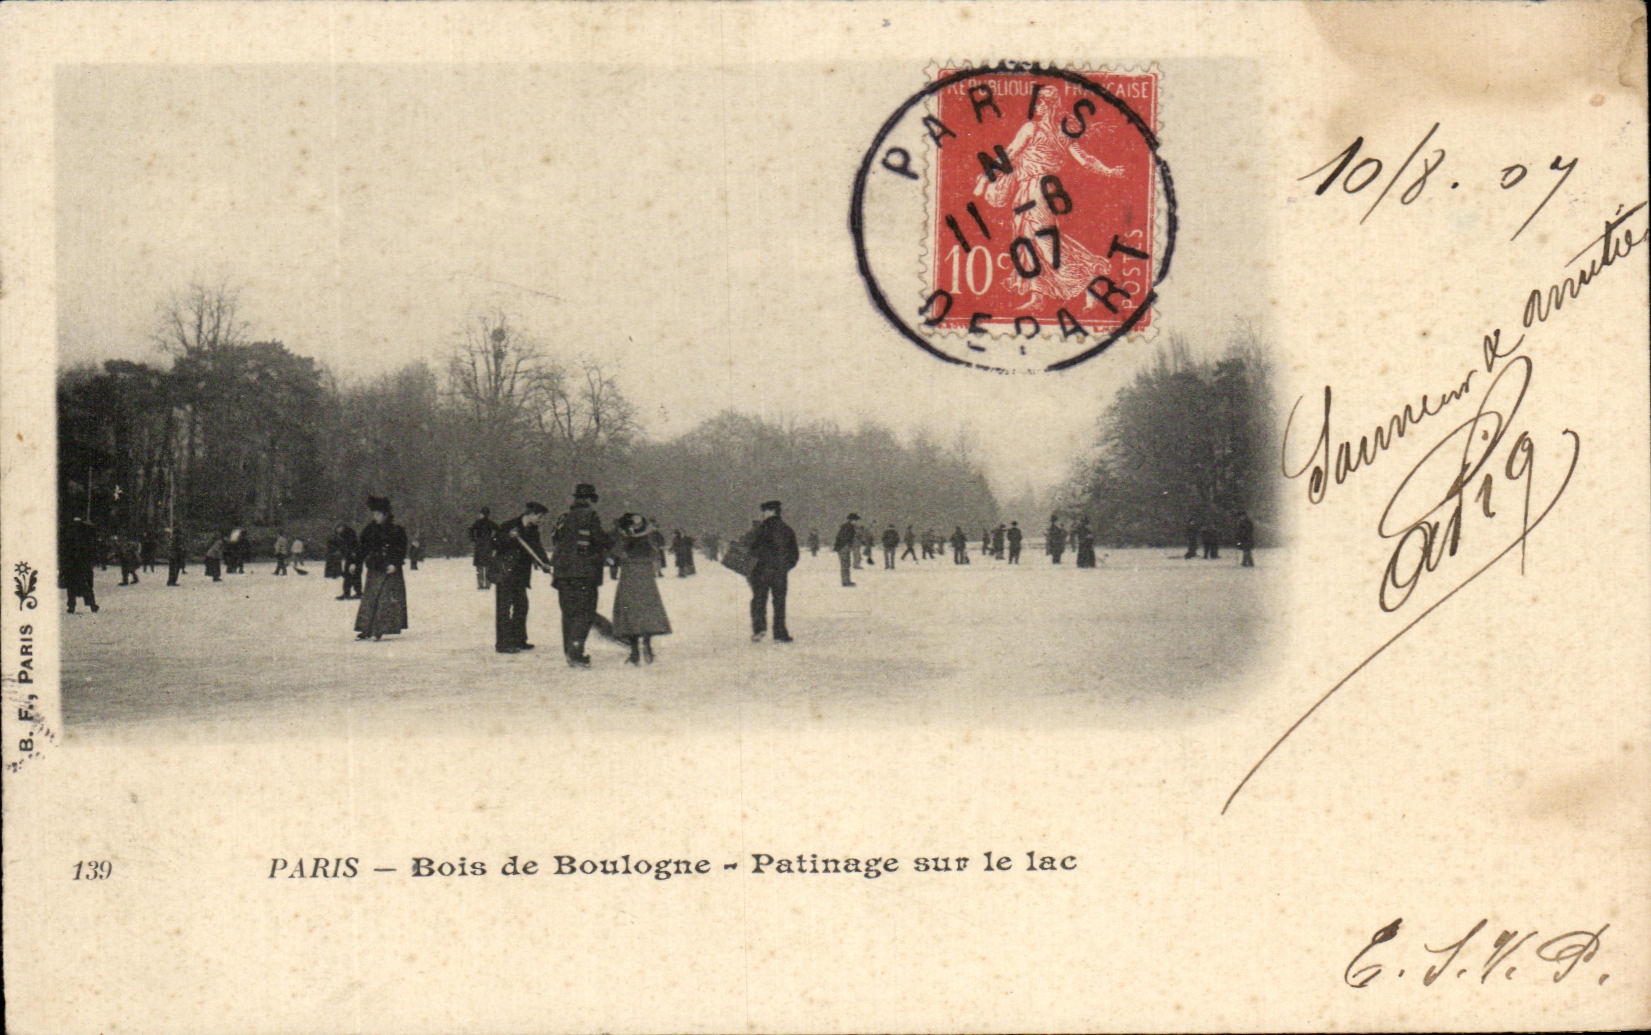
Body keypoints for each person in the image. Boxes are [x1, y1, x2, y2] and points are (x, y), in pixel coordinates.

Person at [549, 483, 611, 667]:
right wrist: (614, 537)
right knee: (584, 612)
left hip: (562, 573)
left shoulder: (563, 518)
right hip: (584, 572)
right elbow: (599, 540)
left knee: (568, 613)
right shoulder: (590, 516)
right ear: (590, 500)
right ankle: (576, 652)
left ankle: (569, 651)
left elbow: (555, 540)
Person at [609, 513, 672, 664]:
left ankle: (634, 651)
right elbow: (656, 553)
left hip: (629, 576)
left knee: (629, 610)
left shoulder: (623, 538)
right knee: (648, 609)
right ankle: (647, 645)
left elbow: (612, 558)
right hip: (645, 576)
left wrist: (614, 564)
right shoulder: (649, 537)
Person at [493, 502, 550, 653]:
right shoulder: (508, 526)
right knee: (504, 609)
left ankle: (518, 640)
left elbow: (537, 548)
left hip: (521, 574)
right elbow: (495, 543)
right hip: (505, 572)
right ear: (530, 514)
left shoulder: (532, 530)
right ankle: (503, 643)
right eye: (539, 516)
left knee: (521, 606)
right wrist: (508, 537)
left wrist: (545, 563)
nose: (540, 520)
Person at [354, 496, 409, 641]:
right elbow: (362, 548)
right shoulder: (369, 530)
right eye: (374, 514)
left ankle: (379, 630)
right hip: (374, 567)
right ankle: (366, 629)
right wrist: (356, 562)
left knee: (385, 601)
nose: (375, 517)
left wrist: (395, 564)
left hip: (390, 570)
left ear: (385, 515)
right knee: (370, 600)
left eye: (378, 514)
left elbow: (401, 549)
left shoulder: (397, 530)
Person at [747, 500, 799, 643]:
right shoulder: (787, 529)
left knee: (759, 600)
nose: (762, 514)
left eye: (763, 511)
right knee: (779, 603)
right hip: (780, 572)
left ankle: (759, 629)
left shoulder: (760, 529)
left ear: (770, 512)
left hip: (761, 571)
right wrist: (785, 567)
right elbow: (794, 554)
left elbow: (751, 549)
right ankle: (780, 632)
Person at [62, 516, 100, 613]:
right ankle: (92, 604)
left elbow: (64, 549)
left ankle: (71, 606)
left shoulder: (68, 533)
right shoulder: (85, 533)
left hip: (71, 564)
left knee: (71, 587)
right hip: (83, 564)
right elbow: (91, 546)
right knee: (86, 586)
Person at [468, 507, 497, 590]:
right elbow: (498, 530)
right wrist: (494, 539)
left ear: (482, 514)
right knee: (488, 565)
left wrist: (473, 539)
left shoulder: (477, 523)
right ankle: (488, 584)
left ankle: (480, 584)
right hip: (488, 545)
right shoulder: (490, 523)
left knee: (479, 566)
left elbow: (471, 530)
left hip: (479, 545)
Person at [832, 513, 859, 587]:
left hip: (843, 547)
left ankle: (847, 580)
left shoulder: (847, 527)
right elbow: (845, 538)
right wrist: (846, 546)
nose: (856, 522)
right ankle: (845, 581)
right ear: (852, 520)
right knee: (845, 565)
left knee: (846, 565)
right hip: (843, 547)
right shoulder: (848, 527)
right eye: (856, 520)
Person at [337, 524, 363, 600]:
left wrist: (353, 560)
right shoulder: (347, 537)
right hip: (352, 559)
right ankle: (351, 592)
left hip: (354, 559)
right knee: (350, 577)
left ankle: (354, 593)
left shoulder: (349, 538)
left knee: (353, 576)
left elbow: (352, 550)